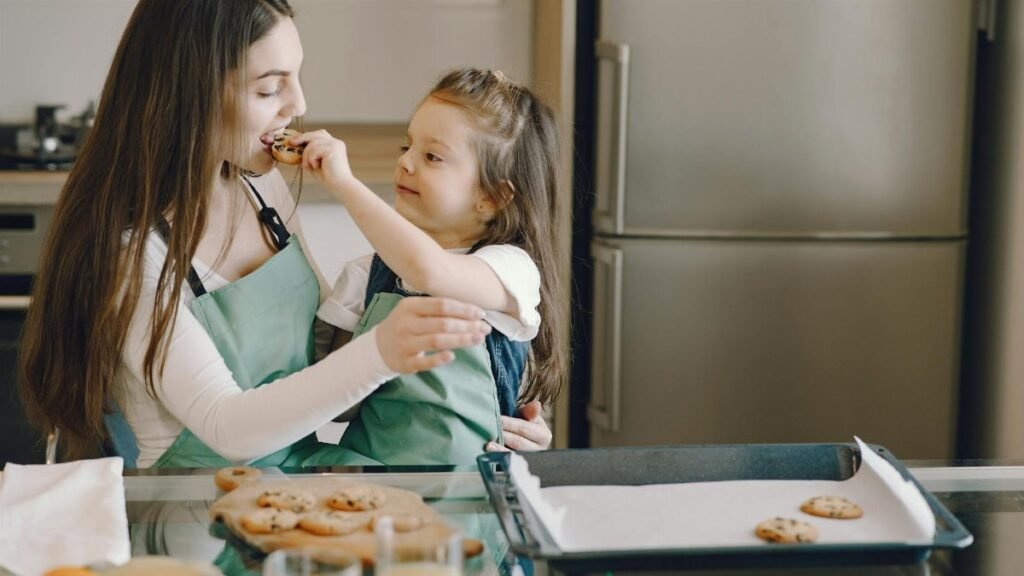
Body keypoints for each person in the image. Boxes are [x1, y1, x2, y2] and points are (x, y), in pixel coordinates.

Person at [18, 0, 551, 468]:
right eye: (269, 87)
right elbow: (227, 427)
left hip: (302, 488)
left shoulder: (264, 190)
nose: (297, 104)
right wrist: (383, 351)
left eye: (295, 77)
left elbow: (324, 372)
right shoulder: (131, 254)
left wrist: (484, 407)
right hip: (197, 517)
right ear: (192, 94)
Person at [285, 68, 567, 464]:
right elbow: (340, 409)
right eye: (407, 147)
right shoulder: (365, 276)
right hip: (376, 488)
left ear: (492, 196)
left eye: (432, 156)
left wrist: (344, 183)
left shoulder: (509, 269)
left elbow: (431, 274)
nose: (406, 163)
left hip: (469, 492)